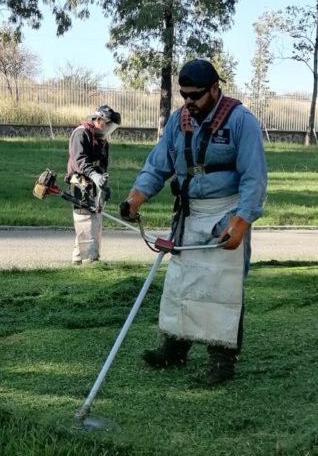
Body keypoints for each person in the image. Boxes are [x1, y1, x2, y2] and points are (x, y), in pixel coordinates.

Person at [119, 58, 267, 384]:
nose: (188, 102)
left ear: (215, 89)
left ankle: (222, 360)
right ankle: (175, 348)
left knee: (220, 287)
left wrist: (241, 222)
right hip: (188, 212)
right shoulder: (178, 121)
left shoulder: (242, 122)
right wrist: (134, 199)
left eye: (196, 95)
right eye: (184, 95)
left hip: (226, 213)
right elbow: (158, 165)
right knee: (181, 282)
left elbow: (254, 178)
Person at [66, 104, 121, 265]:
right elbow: (79, 160)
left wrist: (104, 184)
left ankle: (78, 259)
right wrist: (93, 175)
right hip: (79, 182)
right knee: (85, 219)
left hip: (94, 183)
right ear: (97, 119)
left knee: (95, 218)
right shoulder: (81, 134)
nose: (109, 128)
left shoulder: (103, 141)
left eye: (112, 126)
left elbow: (103, 165)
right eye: (107, 124)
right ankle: (90, 259)